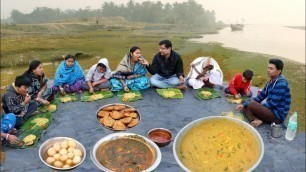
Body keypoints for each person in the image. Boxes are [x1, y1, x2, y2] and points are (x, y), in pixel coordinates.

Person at [236, 59, 291, 127]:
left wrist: (255, 107)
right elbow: (260, 97)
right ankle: (257, 120)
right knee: (245, 104)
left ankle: (256, 118)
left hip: (277, 116)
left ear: (278, 71)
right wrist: (245, 104)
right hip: (270, 111)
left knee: (251, 104)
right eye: (268, 68)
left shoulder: (281, 84)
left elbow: (272, 104)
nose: (268, 70)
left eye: (271, 68)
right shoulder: (270, 82)